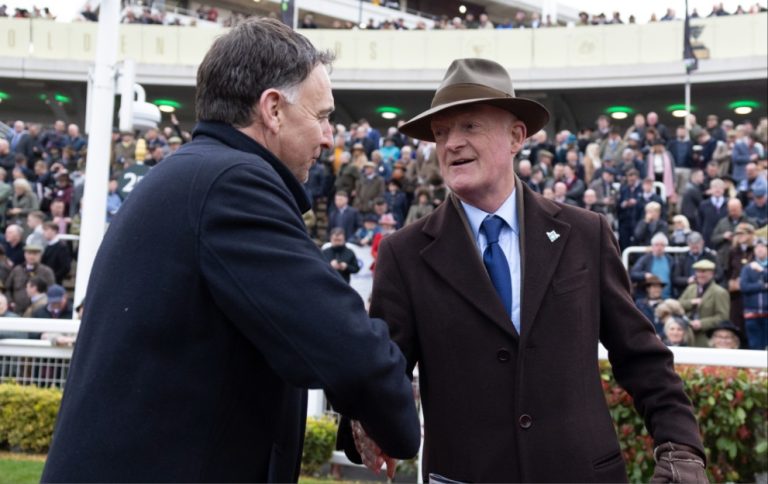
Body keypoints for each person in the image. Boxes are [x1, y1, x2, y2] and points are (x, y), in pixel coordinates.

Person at [42, 18, 420, 483]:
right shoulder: (232, 185)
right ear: (273, 110)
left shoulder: (195, 175)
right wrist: (394, 422)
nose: (328, 137)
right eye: (321, 116)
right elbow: (341, 341)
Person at [340, 58, 706, 483]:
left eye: (469, 126)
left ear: (516, 137)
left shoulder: (585, 233)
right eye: (441, 133)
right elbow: (385, 370)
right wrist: (363, 424)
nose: (451, 143)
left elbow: (640, 354)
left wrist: (681, 446)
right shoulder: (405, 253)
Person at [679, 259, 730, 347]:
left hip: (706, 336)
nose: (700, 274)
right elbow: (678, 305)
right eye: (698, 271)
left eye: (704, 271)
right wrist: (691, 302)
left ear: (712, 274)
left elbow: (723, 317)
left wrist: (702, 323)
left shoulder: (720, 292)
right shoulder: (691, 288)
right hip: (686, 334)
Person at [739, 237, 768, 349]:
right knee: (754, 345)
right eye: (757, 247)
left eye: (762, 247)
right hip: (752, 313)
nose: (759, 249)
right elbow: (744, 287)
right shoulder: (747, 268)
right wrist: (763, 286)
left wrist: (762, 271)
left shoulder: (760, 268)